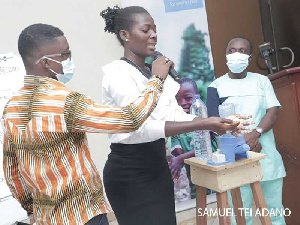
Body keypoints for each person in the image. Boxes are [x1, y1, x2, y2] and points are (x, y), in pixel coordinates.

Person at [2, 23, 173, 225]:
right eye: (65, 55)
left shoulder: (12, 108)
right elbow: (130, 119)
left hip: (45, 219)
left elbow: (12, 171)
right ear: (46, 63)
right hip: (83, 216)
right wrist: (157, 79)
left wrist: (33, 211)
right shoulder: (65, 102)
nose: (69, 60)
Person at [100, 6, 240, 225]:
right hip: (130, 172)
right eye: (146, 30)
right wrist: (203, 122)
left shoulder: (154, 73)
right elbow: (141, 126)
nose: (154, 35)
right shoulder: (118, 74)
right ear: (125, 35)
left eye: (155, 30)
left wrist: (213, 124)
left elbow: (175, 115)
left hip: (157, 165)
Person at [206, 36, 286, 225]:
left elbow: (273, 112)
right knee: (240, 217)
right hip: (235, 160)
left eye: (242, 51)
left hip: (266, 157)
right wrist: (243, 143)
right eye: (232, 51)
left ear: (249, 57)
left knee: (274, 215)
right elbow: (215, 125)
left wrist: (256, 133)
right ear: (226, 55)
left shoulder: (262, 81)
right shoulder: (215, 86)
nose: (236, 55)